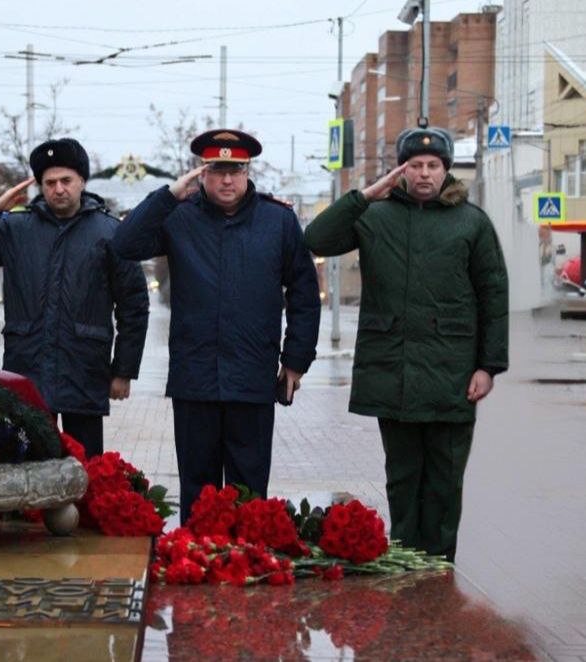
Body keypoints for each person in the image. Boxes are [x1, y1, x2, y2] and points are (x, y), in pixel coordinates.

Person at [304, 126, 509, 561]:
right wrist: (364, 196)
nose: (424, 173)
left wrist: (488, 366)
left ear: (446, 171)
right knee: (402, 477)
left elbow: (493, 295)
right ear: (401, 170)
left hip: (453, 375)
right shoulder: (375, 217)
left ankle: (438, 565)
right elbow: (316, 239)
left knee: (444, 479)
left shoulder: (471, 223)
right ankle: (404, 559)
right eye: (415, 165)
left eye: (433, 165)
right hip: (392, 370)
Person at [112, 129, 321, 521]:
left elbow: (304, 293)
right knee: (198, 492)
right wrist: (168, 195)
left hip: (252, 377)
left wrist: (295, 360)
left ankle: (248, 555)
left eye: (235, 170)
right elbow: (124, 244)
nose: (227, 180)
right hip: (196, 379)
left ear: (248, 171)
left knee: (249, 494)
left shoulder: (277, 221)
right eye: (217, 170)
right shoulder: (179, 216)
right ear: (202, 173)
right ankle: (197, 555)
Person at [0, 138, 149, 458]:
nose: (58, 189)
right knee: (28, 468)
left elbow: (133, 305)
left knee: (86, 468)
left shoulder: (110, 232)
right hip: (27, 371)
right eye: (50, 183)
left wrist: (123, 370)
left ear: (82, 181)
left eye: (66, 180)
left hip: (84, 370)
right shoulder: (15, 228)